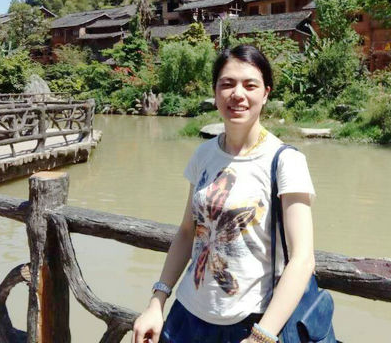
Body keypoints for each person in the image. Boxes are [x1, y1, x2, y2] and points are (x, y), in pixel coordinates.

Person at [132, 44, 316, 343]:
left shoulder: (286, 161)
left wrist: (262, 336)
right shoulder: (204, 154)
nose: (237, 94)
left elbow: (303, 259)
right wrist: (157, 301)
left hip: (248, 324)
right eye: (227, 84)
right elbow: (187, 231)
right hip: (185, 317)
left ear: (266, 93)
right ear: (215, 93)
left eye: (250, 85)